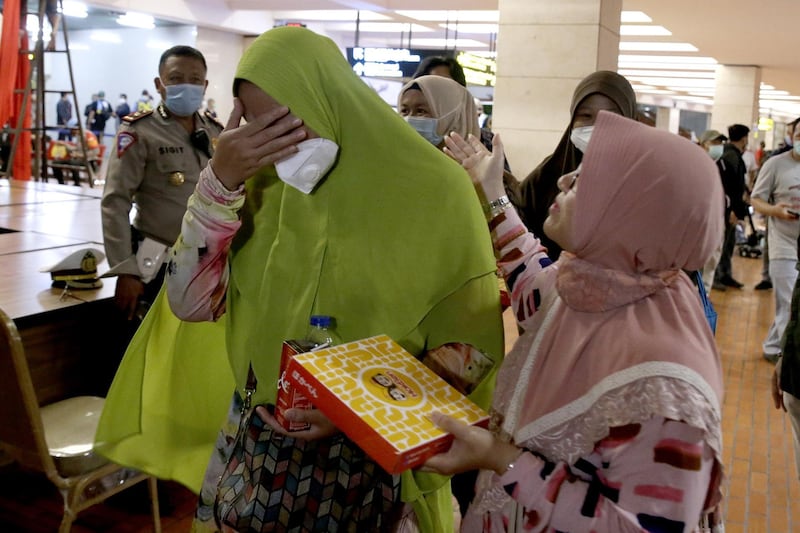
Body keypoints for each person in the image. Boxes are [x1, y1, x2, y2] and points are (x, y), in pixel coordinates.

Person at [97, 27, 504, 532]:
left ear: (327, 96)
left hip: (371, 465)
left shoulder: (436, 188)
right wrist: (218, 185)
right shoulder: (262, 184)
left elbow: (471, 343)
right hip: (259, 452)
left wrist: (358, 411)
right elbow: (191, 302)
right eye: (257, 124)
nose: (274, 141)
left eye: (285, 120)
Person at [424, 111, 724, 531]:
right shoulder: (594, 287)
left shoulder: (665, 385)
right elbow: (529, 271)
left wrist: (499, 459)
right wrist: (490, 189)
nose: (563, 181)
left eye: (583, 182)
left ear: (629, 213)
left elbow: (645, 526)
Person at [101, 45, 224, 324]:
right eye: (176, 78)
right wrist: (125, 270)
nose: (186, 86)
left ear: (204, 85)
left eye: (195, 80)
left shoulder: (216, 133)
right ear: (159, 84)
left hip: (208, 264)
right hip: (157, 264)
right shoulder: (139, 131)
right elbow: (115, 202)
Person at [511, 70, 638, 261]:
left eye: (611, 118)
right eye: (586, 115)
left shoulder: (643, 185)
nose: (597, 127)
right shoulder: (546, 175)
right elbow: (515, 233)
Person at [750, 124, 800, 363]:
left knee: (790, 303)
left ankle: (772, 346)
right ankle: (789, 361)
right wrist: (775, 211)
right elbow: (756, 200)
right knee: (788, 302)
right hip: (783, 243)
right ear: (792, 136)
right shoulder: (775, 164)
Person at [712, 124, 751, 290]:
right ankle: (718, 277)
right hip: (729, 209)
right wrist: (734, 210)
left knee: (729, 243)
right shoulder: (732, 157)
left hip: (730, 207)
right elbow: (731, 187)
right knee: (724, 242)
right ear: (744, 139)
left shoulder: (730, 154)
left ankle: (725, 275)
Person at [398, 74, 480, 149]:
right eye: (404, 111)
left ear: (452, 118)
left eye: (420, 111)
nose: (409, 118)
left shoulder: (481, 164)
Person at [698, 129, 728, 293]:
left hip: (718, 217)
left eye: (720, 143)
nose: (718, 147)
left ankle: (705, 294)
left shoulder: (722, 165)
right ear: (703, 144)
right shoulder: (695, 164)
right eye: (714, 143)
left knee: (713, 258)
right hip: (699, 219)